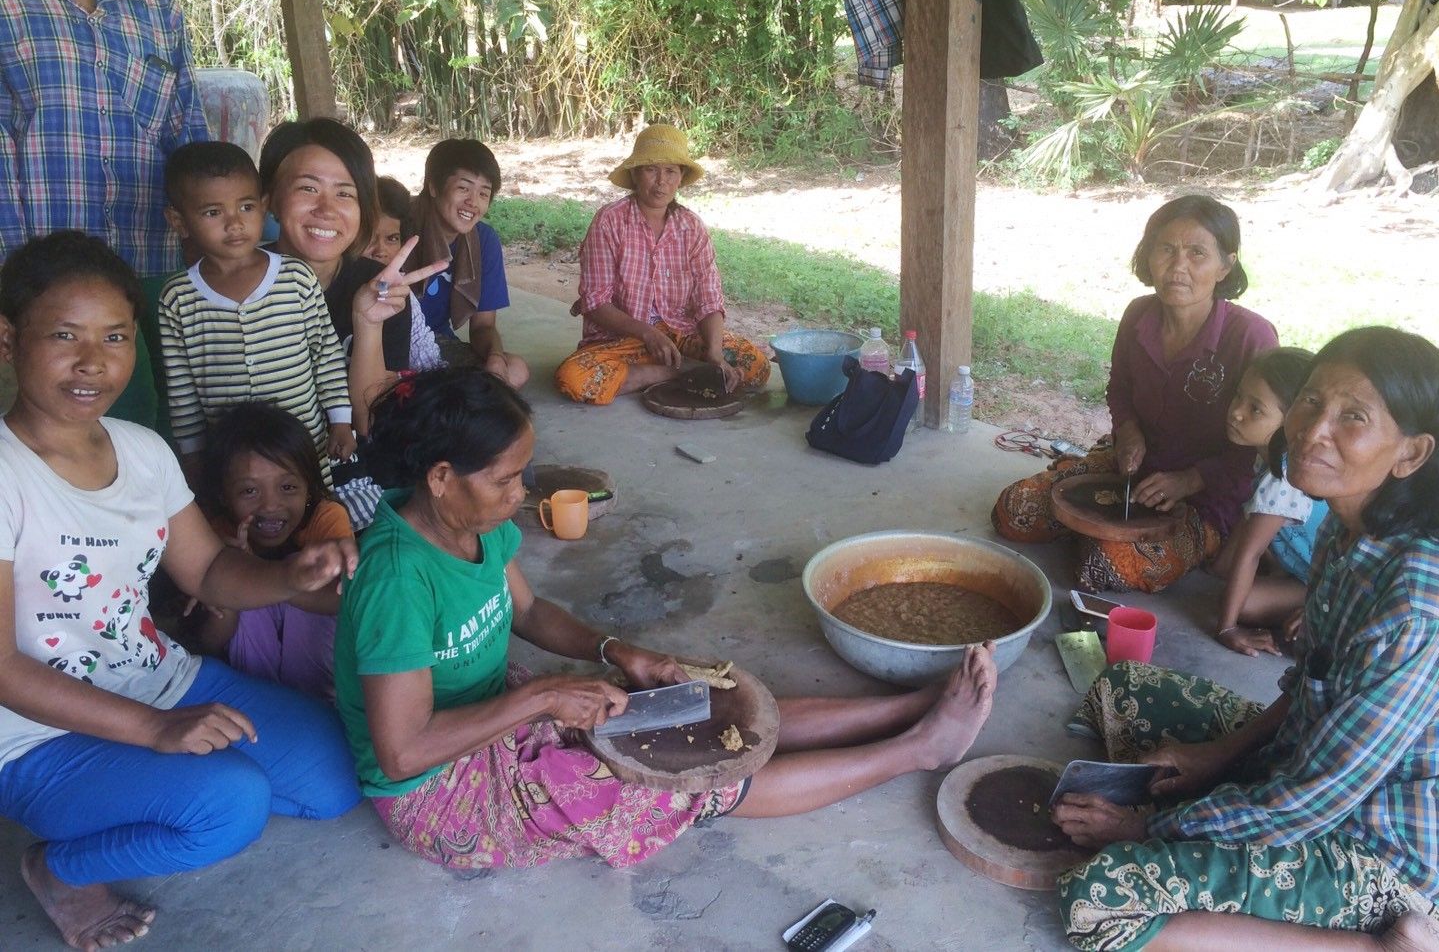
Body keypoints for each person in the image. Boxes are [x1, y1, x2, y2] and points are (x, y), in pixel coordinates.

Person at [336, 366, 997, 872]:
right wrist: (542, 695)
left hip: (492, 716)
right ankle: (920, 748)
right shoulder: (395, 581)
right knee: (686, 780)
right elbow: (403, 753)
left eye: (520, 476)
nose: (519, 497)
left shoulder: (472, 525)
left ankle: (907, 707)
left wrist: (616, 649)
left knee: (691, 709)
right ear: (443, 476)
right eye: (504, 481)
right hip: (440, 790)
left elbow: (529, 609)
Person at [1052, 327, 1439, 951]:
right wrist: (1218, 756)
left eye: (1353, 417)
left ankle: (1388, 944)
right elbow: (1315, 686)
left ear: (1410, 454)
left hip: (1389, 845)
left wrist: (1146, 826)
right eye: (1310, 401)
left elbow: (1312, 801)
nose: (1312, 431)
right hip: (1318, 765)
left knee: (1100, 897)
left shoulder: (1420, 606)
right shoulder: (1352, 525)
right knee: (1123, 688)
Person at [0, 232, 360, 952]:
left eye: (115, 337)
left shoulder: (142, 449)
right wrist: (158, 733)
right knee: (228, 808)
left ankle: (162, 788)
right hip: (33, 735)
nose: (92, 362)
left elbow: (209, 573)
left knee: (338, 777)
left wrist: (291, 575)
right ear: (8, 340)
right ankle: (61, 868)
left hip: (161, 676)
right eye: (64, 336)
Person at [0, 0, 213, 429]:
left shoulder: (154, 6)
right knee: (61, 424)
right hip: (42, 262)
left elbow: (184, 127)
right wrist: (12, 267)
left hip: (150, 253)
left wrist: (205, 235)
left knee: (167, 419)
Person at [992, 195, 1277, 592]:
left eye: (1197, 253)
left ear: (1225, 265)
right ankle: (1101, 529)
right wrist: (1127, 432)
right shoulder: (1138, 314)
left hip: (1206, 497)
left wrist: (1190, 480)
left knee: (1102, 567)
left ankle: (1182, 541)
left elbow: (1259, 440)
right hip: (1128, 470)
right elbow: (1120, 388)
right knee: (1012, 512)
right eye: (1166, 249)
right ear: (1148, 255)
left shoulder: (1250, 336)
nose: (1179, 267)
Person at [157, 141, 354, 486]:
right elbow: (182, 390)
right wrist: (192, 456)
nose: (234, 223)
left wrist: (340, 420)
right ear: (179, 221)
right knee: (247, 527)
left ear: (263, 207)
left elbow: (326, 355)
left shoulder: (296, 278)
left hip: (305, 449)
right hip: (232, 464)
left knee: (314, 514)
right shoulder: (177, 298)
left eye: (246, 207)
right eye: (213, 212)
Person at [554, 124, 771, 405]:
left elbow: (709, 299)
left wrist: (715, 353)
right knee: (573, 379)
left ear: (681, 177)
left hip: (682, 336)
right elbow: (596, 301)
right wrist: (648, 333)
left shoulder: (691, 227)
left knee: (755, 365)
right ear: (634, 174)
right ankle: (672, 373)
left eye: (671, 171)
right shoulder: (610, 221)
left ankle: (692, 368)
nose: (661, 182)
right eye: (651, 170)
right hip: (624, 340)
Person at [258, 118, 446, 435]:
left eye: (345, 194)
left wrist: (369, 323)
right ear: (271, 199)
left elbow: (369, 422)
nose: (327, 209)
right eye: (308, 188)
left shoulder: (381, 288)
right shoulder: (234, 287)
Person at [190, 402, 351, 702]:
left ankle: (316, 706)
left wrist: (268, 578)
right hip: (252, 682)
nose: (270, 505)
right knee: (235, 577)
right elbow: (209, 642)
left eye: (288, 487)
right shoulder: (216, 532)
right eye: (249, 491)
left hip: (320, 681)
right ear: (223, 496)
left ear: (309, 487)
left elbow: (343, 603)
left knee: (310, 570)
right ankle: (266, 704)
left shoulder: (325, 518)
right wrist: (235, 577)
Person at [1210, 347, 1328, 656]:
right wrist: (1227, 564)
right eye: (1238, 397)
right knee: (1226, 570)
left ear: (1294, 421)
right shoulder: (1270, 458)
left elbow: (1250, 553)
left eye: (1256, 409)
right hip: (1307, 566)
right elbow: (1248, 529)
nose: (1236, 412)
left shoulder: (1285, 476)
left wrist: (1227, 627)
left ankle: (1314, 608)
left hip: (1328, 584)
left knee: (1243, 603)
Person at [404, 138, 529, 388]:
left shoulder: (483, 240)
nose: (474, 202)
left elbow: (483, 327)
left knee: (515, 369)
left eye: (484, 193)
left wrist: (494, 357)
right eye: (464, 188)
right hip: (392, 346)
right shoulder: (398, 225)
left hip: (438, 344)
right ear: (434, 187)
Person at [368, 175, 444, 373]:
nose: (380, 250)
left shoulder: (398, 292)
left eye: (392, 238)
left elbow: (427, 361)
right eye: (368, 237)